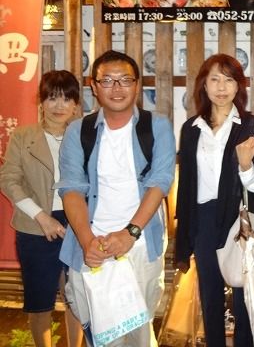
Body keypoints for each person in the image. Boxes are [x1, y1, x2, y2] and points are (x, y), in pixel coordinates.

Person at [57, 50, 176, 346]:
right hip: (91, 245)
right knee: (101, 335)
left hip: (139, 245)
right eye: (107, 80)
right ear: (94, 86)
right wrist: (87, 243)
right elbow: (72, 189)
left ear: (137, 84)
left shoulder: (156, 126)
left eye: (125, 80)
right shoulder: (78, 131)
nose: (117, 88)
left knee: (139, 334)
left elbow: (159, 183)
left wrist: (129, 233)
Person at [174, 54, 254, 347]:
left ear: (239, 86)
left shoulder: (249, 125)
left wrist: (246, 166)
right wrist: (185, 228)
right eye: (214, 79)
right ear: (204, 84)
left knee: (243, 293)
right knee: (210, 293)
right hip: (203, 218)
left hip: (238, 218)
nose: (221, 87)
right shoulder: (191, 128)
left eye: (229, 80)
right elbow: (187, 183)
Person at [0, 70, 84, 347]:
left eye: (66, 99)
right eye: (52, 98)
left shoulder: (84, 136)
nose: (59, 106)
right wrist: (41, 217)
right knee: (39, 303)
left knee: (76, 298)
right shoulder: (24, 136)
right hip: (35, 225)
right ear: (41, 101)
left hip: (78, 224)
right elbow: (9, 179)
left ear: (76, 104)